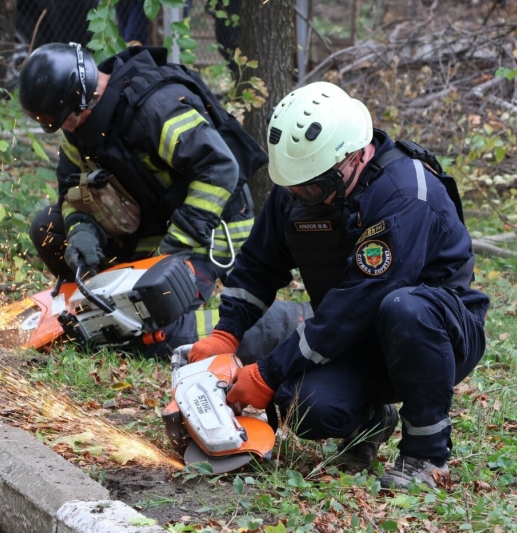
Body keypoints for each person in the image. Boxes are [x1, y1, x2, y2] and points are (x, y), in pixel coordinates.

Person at [188, 81, 490, 490]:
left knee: (404, 307)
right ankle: (370, 421)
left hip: (438, 332)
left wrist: (270, 370)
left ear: (352, 158)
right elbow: (259, 265)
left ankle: (426, 455)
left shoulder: (404, 194)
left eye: (312, 187)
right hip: (356, 332)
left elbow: (364, 299)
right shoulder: (299, 190)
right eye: (294, 186)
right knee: (304, 406)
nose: (302, 196)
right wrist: (227, 333)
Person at [17, 43, 310, 359]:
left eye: (65, 120)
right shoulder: (79, 121)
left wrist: (171, 251)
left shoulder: (155, 107)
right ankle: (93, 307)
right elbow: (71, 188)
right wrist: (81, 232)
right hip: (152, 225)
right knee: (49, 228)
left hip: (208, 230)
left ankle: (291, 322)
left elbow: (220, 169)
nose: (65, 129)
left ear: (83, 98)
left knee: (152, 329)